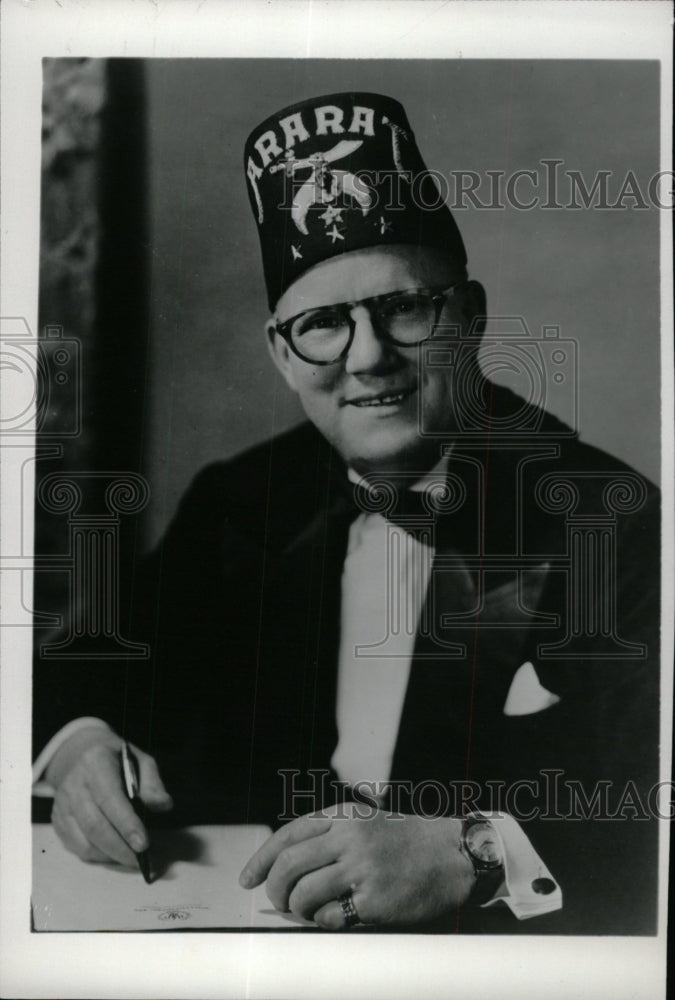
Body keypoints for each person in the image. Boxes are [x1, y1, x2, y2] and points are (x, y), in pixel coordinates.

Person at [33, 92, 660, 934]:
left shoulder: (610, 523)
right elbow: (80, 665)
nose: (368, 357)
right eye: (325, 324)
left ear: (469, 318)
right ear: (281, 355)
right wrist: (79, 746)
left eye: (404, 308)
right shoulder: (241, 500)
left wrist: (480, 850)